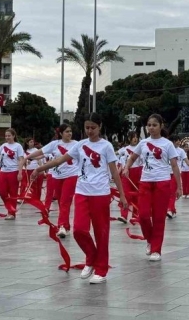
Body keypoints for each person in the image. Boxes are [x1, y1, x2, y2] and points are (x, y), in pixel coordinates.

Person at [32, 113, 127, 284]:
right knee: (79, 230)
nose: (90, 131)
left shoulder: (106, 146)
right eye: (87, 127)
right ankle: (91, 257)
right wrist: (39, 169)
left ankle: (101, 270)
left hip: (100, 194)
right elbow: (60, 160)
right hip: (82, 192)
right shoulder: (80, 145)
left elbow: (114, 172)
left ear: (100, 127)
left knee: (101, 233)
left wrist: (122, 195)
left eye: (93, 128)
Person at [123, 114, 182, 261]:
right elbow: (132, 157)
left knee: (158, 218)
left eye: (154, 125)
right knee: (143, 215)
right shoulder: (143, 143)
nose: (151, 128)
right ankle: (150, 239)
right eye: (149, 125)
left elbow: (174, 166)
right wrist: (126, 167)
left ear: (161, 126)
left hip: (162, 182)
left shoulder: (167, 144)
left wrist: (179, 187)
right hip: (145, 182)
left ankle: (156, 249)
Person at [27, 124, 78, 238]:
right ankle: (66, 226)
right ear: (61, 133)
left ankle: (62, 226)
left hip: (72, 175)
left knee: (65, 201)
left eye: (70, 131)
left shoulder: (76, 144)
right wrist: (26, 157)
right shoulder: (54, 144)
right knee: (61, 202)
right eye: (67, 131)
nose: (69, 133)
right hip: (57, 176)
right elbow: (40, 152)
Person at [117, 132, 143, 223]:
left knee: (136, 195)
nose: (135, 139)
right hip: (127, 173)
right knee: (125, 194)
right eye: (133, 137)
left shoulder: (140, 148)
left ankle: (135, 215)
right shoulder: (124, 150)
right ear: (129, 138)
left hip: (138, 172)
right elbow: (116, 156)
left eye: (136, 137)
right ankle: (123, 215)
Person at [172, 135, 189, 200]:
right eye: (177, 141)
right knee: (183, 183)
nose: (179, 142)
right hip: (172, 172)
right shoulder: (168, 149)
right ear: (173, 141)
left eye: (179, 141)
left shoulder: (182, 151)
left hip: (184, 171)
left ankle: (188, 193)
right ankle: (183, 193)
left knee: (188, 182)